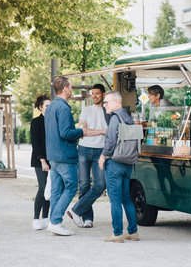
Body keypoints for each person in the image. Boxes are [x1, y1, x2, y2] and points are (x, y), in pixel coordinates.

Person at [44, 76, 92, 236]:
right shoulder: (63, 108)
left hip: (53, 155)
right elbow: (65, 133)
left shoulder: (50, 107)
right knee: (71, 187)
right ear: (64, 88)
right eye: (70, 86)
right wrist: (81, 131)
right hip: (65, 155)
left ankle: (53, 222)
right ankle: (56, 221)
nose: (72, 89)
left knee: (57, 190)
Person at [98, 91, 139, 243]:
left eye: (107, 102)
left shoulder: (115, 118)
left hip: (115, 163)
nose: (105, 105)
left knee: (115, 200)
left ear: (116, 102)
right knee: (127, 199)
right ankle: (133, 232)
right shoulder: (129, 118)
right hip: (128, 163)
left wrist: (102, 157)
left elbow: (110, 140)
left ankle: (117, 234)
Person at [67, 84, 108, 228]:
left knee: (100, 185)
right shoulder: (86, 109)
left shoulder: (107, 111)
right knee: (83, 185)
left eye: (97, 93)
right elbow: (82, 130)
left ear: (103, 94)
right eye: (93, 93)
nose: (95, 96)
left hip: (101, 151)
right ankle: (87, 218)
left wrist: (93, 131)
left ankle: (76, 210)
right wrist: (102, 131)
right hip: (84, 150)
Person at [30, 94, 51, 230]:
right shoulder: (36, 122)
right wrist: (43, 161)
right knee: (43, 188)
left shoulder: (53, 121)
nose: (50, 108)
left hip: (53, 159)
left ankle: (46, 217)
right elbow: (36, 144)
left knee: (50, 189)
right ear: (40, 108)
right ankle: (36, 218)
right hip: (40, 160)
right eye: (47, 106)